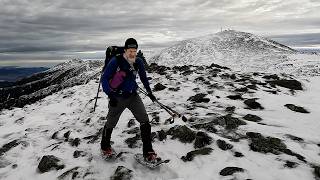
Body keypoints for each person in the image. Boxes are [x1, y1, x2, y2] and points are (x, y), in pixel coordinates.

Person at [100, 38, 158, 162]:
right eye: (130, 51)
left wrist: (149, 92)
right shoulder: (116, 61)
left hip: (133, 96)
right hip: (118, 97)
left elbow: (143, 78)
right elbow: (104, 79)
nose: (132, 53)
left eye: (134, 51)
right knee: (110, 123)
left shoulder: (138, 62)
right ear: (125, 50)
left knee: (145, 120)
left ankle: (148, 151)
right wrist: (110, 95)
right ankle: (105, 147)